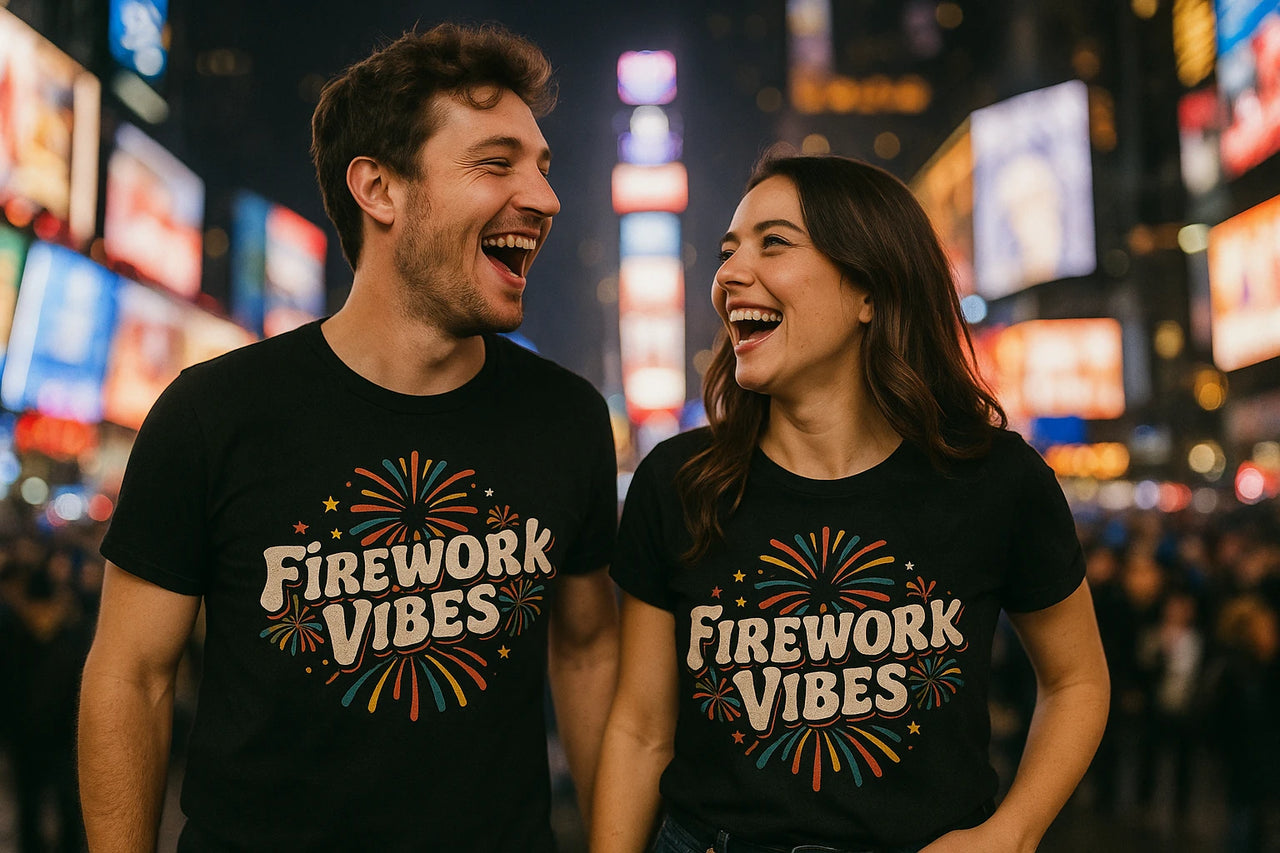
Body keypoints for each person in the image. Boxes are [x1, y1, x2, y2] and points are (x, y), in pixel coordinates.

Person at [77, 23, 619, 852]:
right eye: (496, 162)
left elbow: (584, 652)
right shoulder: (211, 413)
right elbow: (131, 678)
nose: (544, 197)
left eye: (543, 167)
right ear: (379, 188)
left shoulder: (568, 417)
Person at [593, 154, 1110, 853]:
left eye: (773, 243)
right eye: (727, 251)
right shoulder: (678, 481)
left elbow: (1077, 679)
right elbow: (641, 729)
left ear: (869, 290)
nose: (728, 275)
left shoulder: (996, 480)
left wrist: (1010, 834)